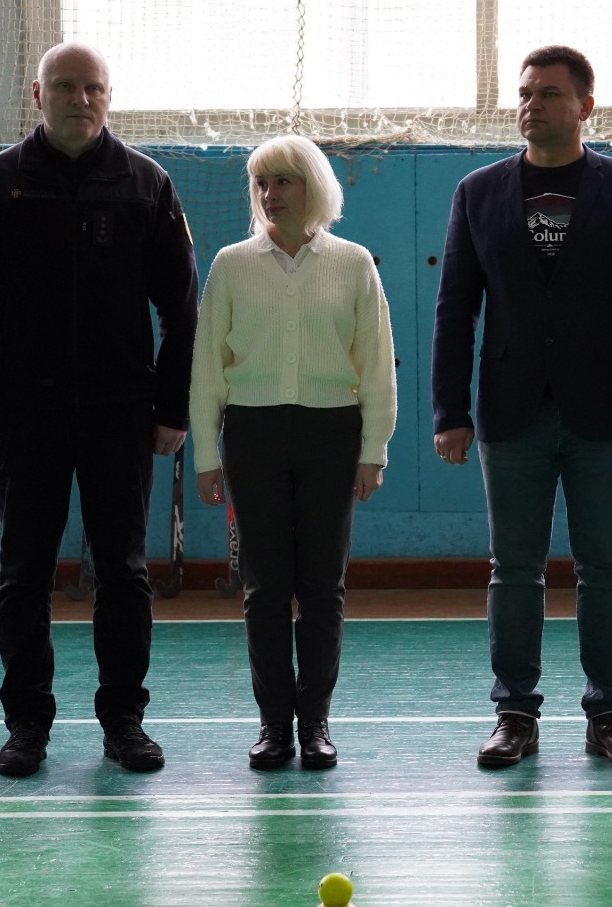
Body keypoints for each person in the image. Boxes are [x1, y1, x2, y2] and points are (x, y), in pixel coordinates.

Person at [0, 43, 199, 777]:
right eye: (64, 86)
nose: (79, 99)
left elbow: (182, 309)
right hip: (26, 414)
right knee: (24, 572)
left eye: (92, 88)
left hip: (123, 413)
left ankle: (124, 722)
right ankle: (27, 725)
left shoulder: (146, 184)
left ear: (109, 96)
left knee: (124, 572)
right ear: (37, 93)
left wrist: (172, 408)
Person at [430, 45, 612, 769]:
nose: (531, 104)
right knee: (514, 567)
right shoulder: (478, 192)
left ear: (585, 107)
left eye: (548, 93)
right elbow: (455, 310)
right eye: (525, 93)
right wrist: (450, 410)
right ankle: (514, 713)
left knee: (605, 565)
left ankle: (610, 713)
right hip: (510, 411)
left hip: (608, 411)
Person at [190, 134, 397, 771]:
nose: (271, 194)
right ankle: (274, 725)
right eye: (262, 183)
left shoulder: (354, 263)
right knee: (264, 588)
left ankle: (316, 724)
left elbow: (377, 364)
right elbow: (207, 367)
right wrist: (206, 455)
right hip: (251, 437)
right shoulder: (230, 265)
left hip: (332, 438)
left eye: (284, 180)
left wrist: (374, 450)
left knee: (322, 588)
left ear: (314, 188)